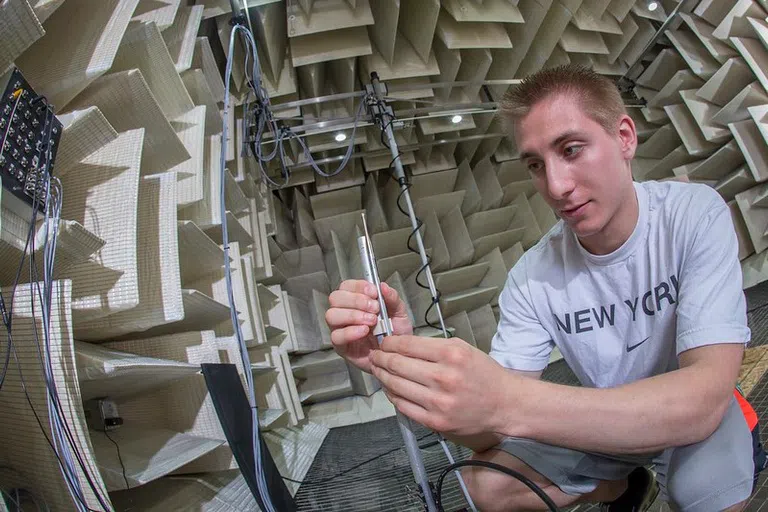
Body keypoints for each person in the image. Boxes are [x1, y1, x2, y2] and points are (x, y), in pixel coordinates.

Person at [325, 64, 764, 511]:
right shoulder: (531, 277)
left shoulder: (693, 214)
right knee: (487, 485)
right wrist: (397, 363)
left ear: (625, 138)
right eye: (536, 165)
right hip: (608, 427)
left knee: (708, 493)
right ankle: (626, 486)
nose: (556, 187)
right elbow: (489, 434)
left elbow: (703, 398)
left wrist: (507, 399)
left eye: (571, 150)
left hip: (694, 417)